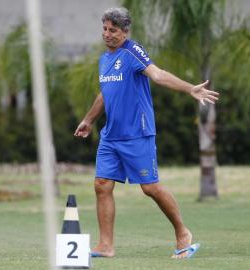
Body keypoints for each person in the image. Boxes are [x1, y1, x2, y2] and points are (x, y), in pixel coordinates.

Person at [74, 7, 219, 259]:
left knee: (150, 188)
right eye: (105, 29)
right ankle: (105, 246)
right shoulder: (104, 59)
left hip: (137, 134)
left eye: (113, 30)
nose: (107, 34)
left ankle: (183, 232)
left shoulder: (132, 51)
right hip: (111, 136)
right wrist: (89, 120)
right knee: (101, 185)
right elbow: (105, 94)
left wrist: (189, 89)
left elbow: (158, 74)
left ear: (125, 31)